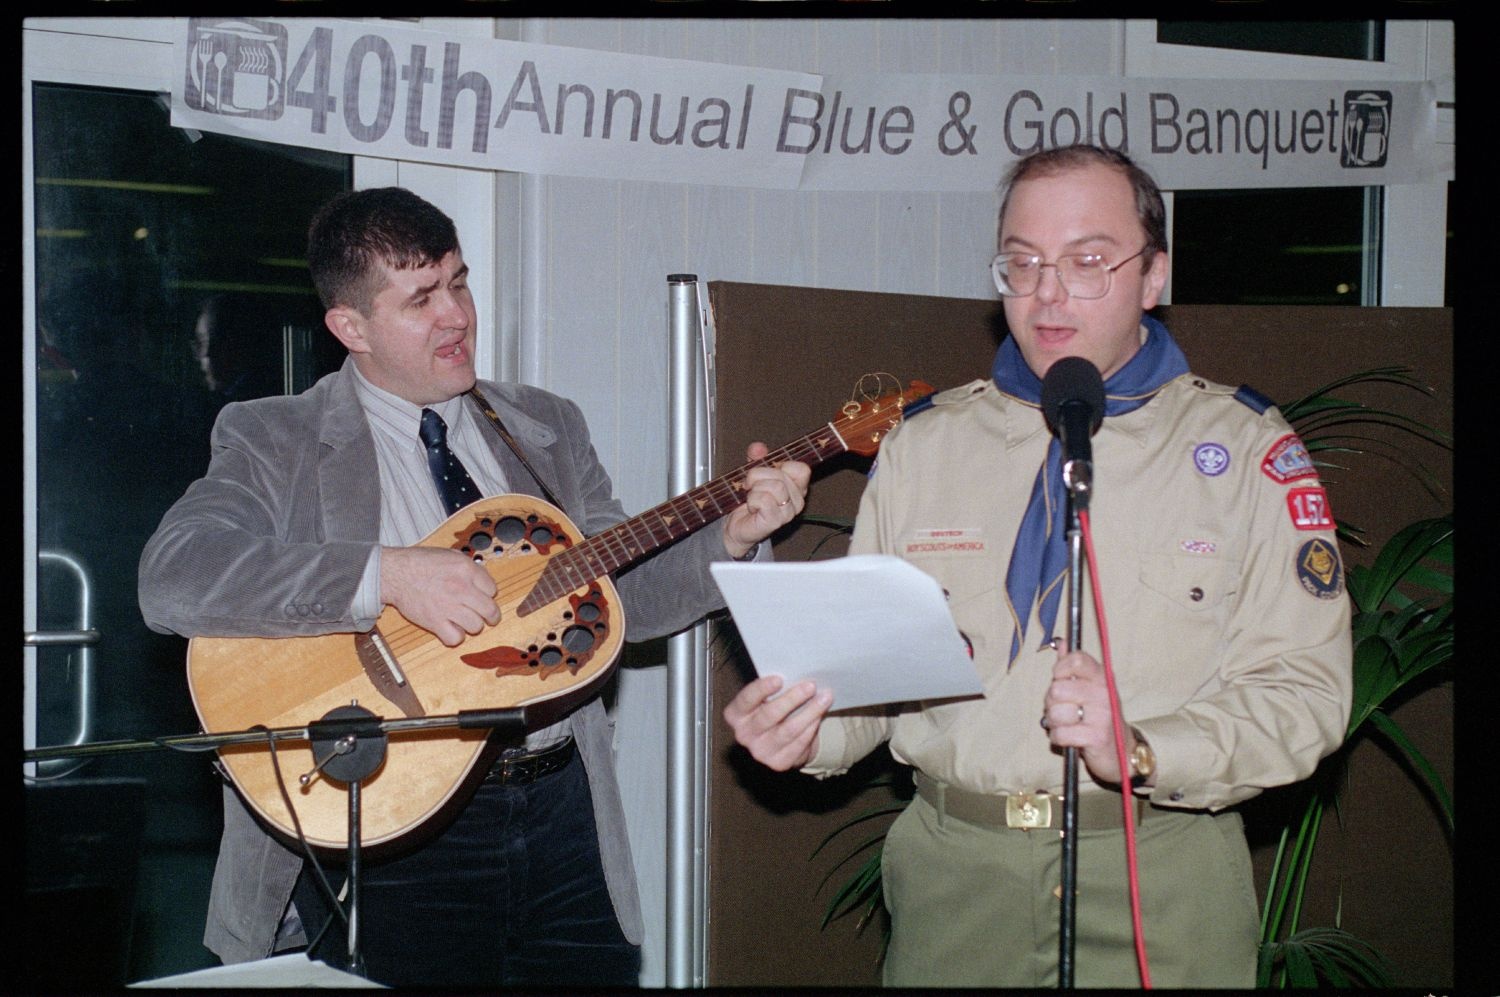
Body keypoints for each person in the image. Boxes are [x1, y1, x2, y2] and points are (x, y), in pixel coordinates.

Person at [139, 186, 810, 988]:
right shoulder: (274, 436)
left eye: (458, 282)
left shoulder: (545, 427)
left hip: (561, 816)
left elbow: (624, 607)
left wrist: (731, 537)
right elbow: (175, 572)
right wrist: (386, 575)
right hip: (391, 831)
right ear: (351, 328)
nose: (456, 314)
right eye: (421, 298)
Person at [723, 145, 1352, 988]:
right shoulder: (925, 444)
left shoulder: (1244, 450)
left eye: (1087, 261)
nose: (1047, 293)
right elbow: (877, 686)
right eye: (1022, 263)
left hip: (1159, 878)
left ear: (1153, 275)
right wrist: (805, 729)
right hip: (958, 880)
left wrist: (1141, 747)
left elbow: (1305, 695)